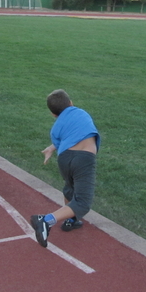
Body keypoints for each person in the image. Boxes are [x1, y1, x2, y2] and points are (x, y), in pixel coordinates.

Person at [30, 89, 100, 247]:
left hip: (64, 158)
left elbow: (63, 140)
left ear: (53, 115)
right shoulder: (81, 113)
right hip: (84, 158)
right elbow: (79, 130)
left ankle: (71, 220)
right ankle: (46, 220)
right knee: (83, 203)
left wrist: (51, 148)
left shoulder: (55, 128)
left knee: (70, 188)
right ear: (71, 103)